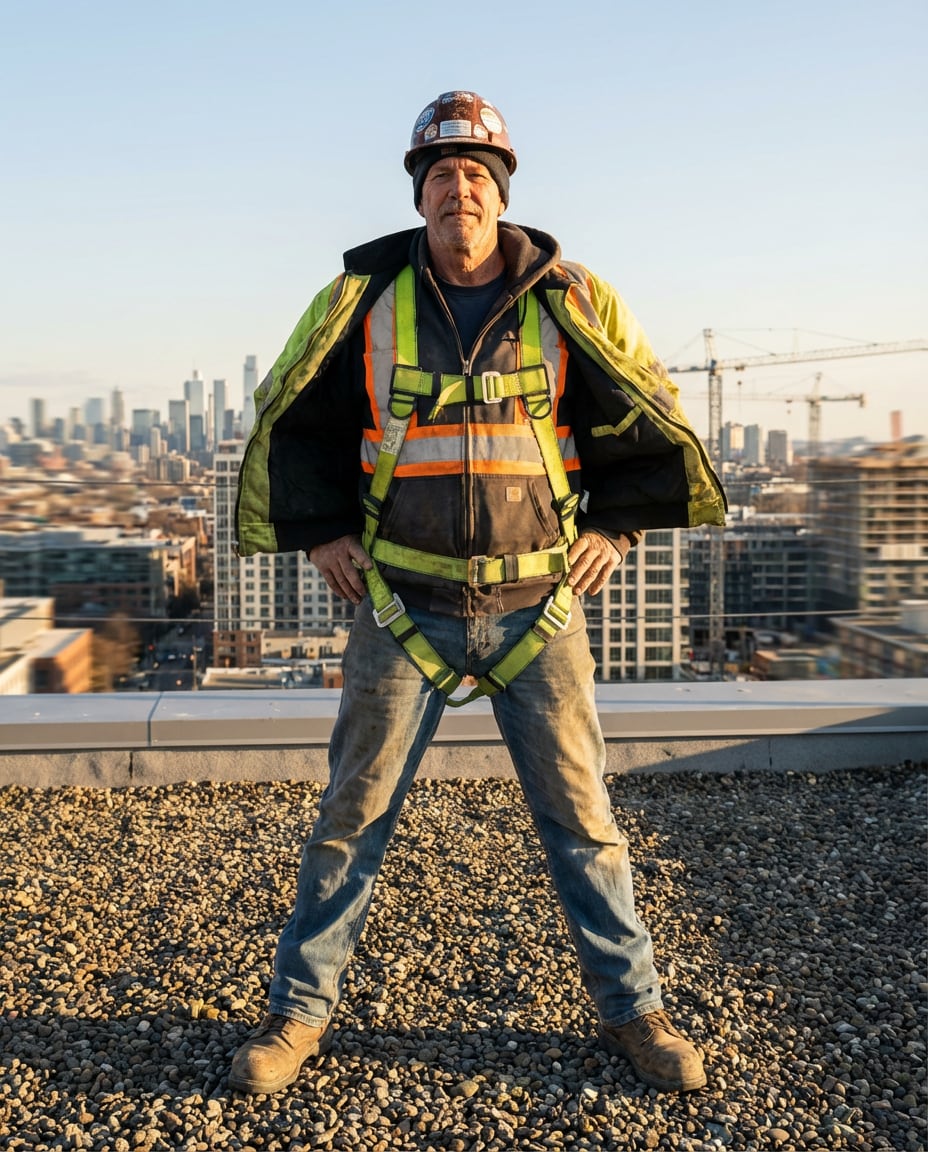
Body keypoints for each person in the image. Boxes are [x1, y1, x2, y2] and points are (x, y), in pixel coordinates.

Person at [230, 90, 726, 1096]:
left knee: (583, 821)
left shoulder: (567, 297)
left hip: (534, 606)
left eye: (474, 176)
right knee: (349, 818)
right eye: (441, 175)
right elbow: (300, 414)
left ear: (500, 194)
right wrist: (322, 530)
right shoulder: (362, 301)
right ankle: (296, 1018)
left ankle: (636, 1014)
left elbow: (638, 403)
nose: (458, 190)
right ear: (418, 194)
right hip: (399, 606)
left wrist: (617, 526)